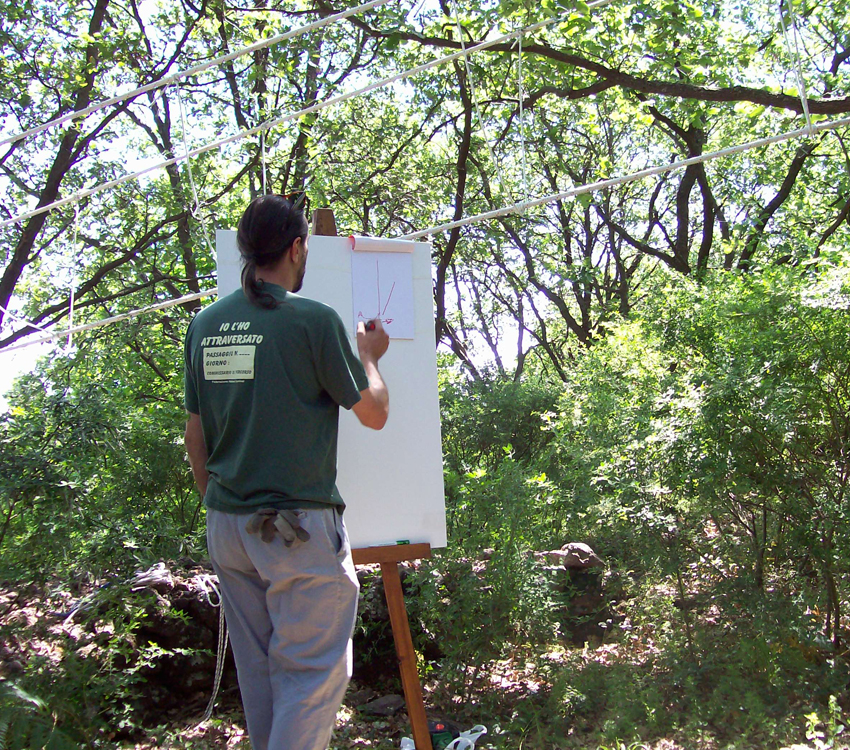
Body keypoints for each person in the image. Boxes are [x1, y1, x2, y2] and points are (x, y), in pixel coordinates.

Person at [183, 194, 389, 750]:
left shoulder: (205, 324)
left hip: (229, 528)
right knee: (312, 674)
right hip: (295, 529)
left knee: (262, 676)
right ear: (297, 248)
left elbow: (194, 435)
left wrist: (220, 504)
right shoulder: (312, 320)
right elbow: (373, 413)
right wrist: (370, 355)